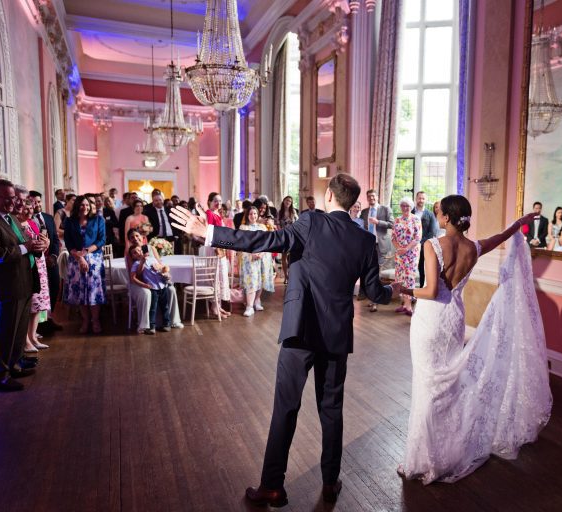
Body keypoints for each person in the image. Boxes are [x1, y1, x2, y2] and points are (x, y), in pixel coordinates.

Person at [170, 173, 398, 506]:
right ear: (352, 203)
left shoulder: (310, 222)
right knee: (331, 410)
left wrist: (209, 232)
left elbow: (266, 242)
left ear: (330, 198)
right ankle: (331, 482)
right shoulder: (364, 240)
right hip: (336, 334)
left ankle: (273, 486)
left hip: (300, 329)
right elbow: (375, 292)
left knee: (286, 408)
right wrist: (397, 290)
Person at [397, 196, 551, 484]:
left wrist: (403, 288)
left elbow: (430, 291)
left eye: (439, 211)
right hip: (453, 321)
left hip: (430, 322)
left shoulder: (432, 246)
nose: (436, 214)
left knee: (426, 386)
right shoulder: (474, 248)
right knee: (447, 388)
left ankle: (423, 458)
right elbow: (501, 237)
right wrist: (518, 224)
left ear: (446, 219)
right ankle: (447, 452)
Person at [0, 180, 48, 391]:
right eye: (7, 198)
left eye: (13, 198)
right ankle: (0, 376)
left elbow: (27, 244)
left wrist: (39, 246)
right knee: (4, 332)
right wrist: (26, 248)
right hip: (5, 287)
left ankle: (15, 365)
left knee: (18, 331)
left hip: (24, 283)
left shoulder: (11, 219)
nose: (12, 202)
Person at [125, 229, 184, 333]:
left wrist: (161, 269)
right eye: (132, 237)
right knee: (147, 293)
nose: (135, 239)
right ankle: (147, 325)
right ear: (129, 240)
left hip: (157, 279)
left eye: (137, 235)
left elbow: (160, 264)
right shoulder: (131, 253)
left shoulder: (151, 248)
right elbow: (135, 275)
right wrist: (146, 282)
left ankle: (172, 321)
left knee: (171, 289)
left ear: (142, 236)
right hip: (141, 282)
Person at [63, 196, 106, 334]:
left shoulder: (98, 219)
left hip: (94, 259)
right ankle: (85, 320)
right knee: (80, 292)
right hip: (76, 259)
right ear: (77, 206)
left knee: (94, 292)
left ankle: (96, 320)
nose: (85, 207)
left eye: (87, 205)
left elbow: (101, 240)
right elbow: (68, 241)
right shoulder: (69, 221)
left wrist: (86, 252)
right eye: (82, 205)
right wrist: (79, 257)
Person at [16, 195, 51, 352]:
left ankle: (33, 337)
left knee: (38, 304)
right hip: (28, 266)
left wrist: (46, 243)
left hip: (40, 265)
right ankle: (25, 341)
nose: (29, 210)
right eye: (26, 208)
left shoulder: (32, 223)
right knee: (30, 305)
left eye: (31, 208)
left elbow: (41, 242)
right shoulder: (17, 225)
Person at [28, 190, 63, 333]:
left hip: (51, 261)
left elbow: (55, 239)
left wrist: (54, 256)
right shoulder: (27, 220)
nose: (37, 204)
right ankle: (38, 325)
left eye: (38, 201)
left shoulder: (48, 218)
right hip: (36, 262)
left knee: (54, 288)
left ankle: (49, 317)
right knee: (39, 292)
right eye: (33, 202)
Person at [360, 189, 394, 312]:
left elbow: (392, 224)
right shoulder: (364, 212)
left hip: (381, 245)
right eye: (369, 196)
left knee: (379, 273)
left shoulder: (385, 209)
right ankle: (372, 298)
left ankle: (376, 300)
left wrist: (378, 222)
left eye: (373, 196)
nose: (371, 198)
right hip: (368, 246)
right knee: (371, 272)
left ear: (377, 197)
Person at [238, 206, 275, 317]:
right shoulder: (243, 227)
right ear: (247, 215)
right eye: (250, 214)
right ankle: (249, 306)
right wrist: (252, 254)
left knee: (261, 279)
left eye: (255, 213)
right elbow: (242, 243)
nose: (253, 216)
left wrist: (261, 253)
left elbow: (267, 242)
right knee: (252, 281)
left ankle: (257, 300)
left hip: (263, 256)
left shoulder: (262, 227)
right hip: (249, 257)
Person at [129, 246, 171, 334]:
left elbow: (161, 268)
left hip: (162, 285)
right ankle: (152, 326)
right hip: (153, 288)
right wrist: (144, 284)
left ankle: (166, 324)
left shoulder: (152, 259)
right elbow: (136, 275)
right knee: (153, 308)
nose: (138, 253)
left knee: (165, 306)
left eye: (139, 250)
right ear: (132, 256)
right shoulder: (136, 264)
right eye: (134, 252)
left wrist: (161, 269)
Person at [392, 197, 422, 316]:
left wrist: (406, 249)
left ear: (411, 207)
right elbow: (393, 238)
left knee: (409, 278)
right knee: (400, 278)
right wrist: (399, 248)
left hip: (411, 254)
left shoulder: (416, 219)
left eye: (407, 206)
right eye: (403, 205)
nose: (405, 208)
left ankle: (409, 306)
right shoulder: (397, 220)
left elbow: (417, 238)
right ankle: (404, 304)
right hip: (400, 254)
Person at [411, 191, 439, 287]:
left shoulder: (430, 215)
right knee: (410, 268)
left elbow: (432, 232)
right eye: (419, 198)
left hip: (424, 247)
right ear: (416, 199)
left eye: (423, 198)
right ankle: (410, 289)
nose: (421, 200)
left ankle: (422, 289)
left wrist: (419, 242)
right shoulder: (410, 212)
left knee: (422, 268)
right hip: (410, 247)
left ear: (425, 200)